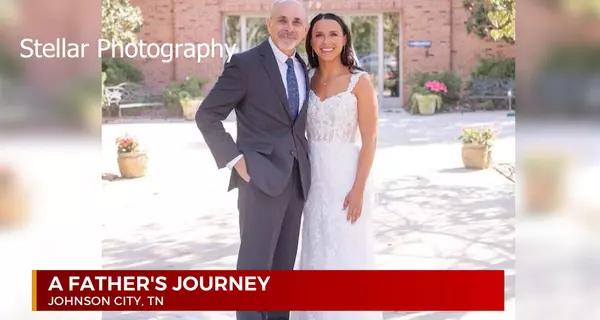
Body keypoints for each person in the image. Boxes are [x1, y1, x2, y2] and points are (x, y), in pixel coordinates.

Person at [195, 0, 310, 319]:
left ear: (305, 29)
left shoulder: (303, 67)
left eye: (297, 22)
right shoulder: (245, 64)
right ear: (269, 24)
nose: (290, 27)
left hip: (297, 181)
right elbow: (207, 115)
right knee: (254, 269)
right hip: (259, 178)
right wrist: (236, 161)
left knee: (282, 269)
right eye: (283, 20)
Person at [291, 12, 381, 320]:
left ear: (344, 40)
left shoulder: (360, 82)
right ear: (311, 41)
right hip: (312, 179)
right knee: (317, 245)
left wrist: (358, 190)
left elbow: (369, 140)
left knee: (346, 249)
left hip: (346, 178)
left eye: (333, 34)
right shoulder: (304, 78)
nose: (326, 41)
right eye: (319, 35)